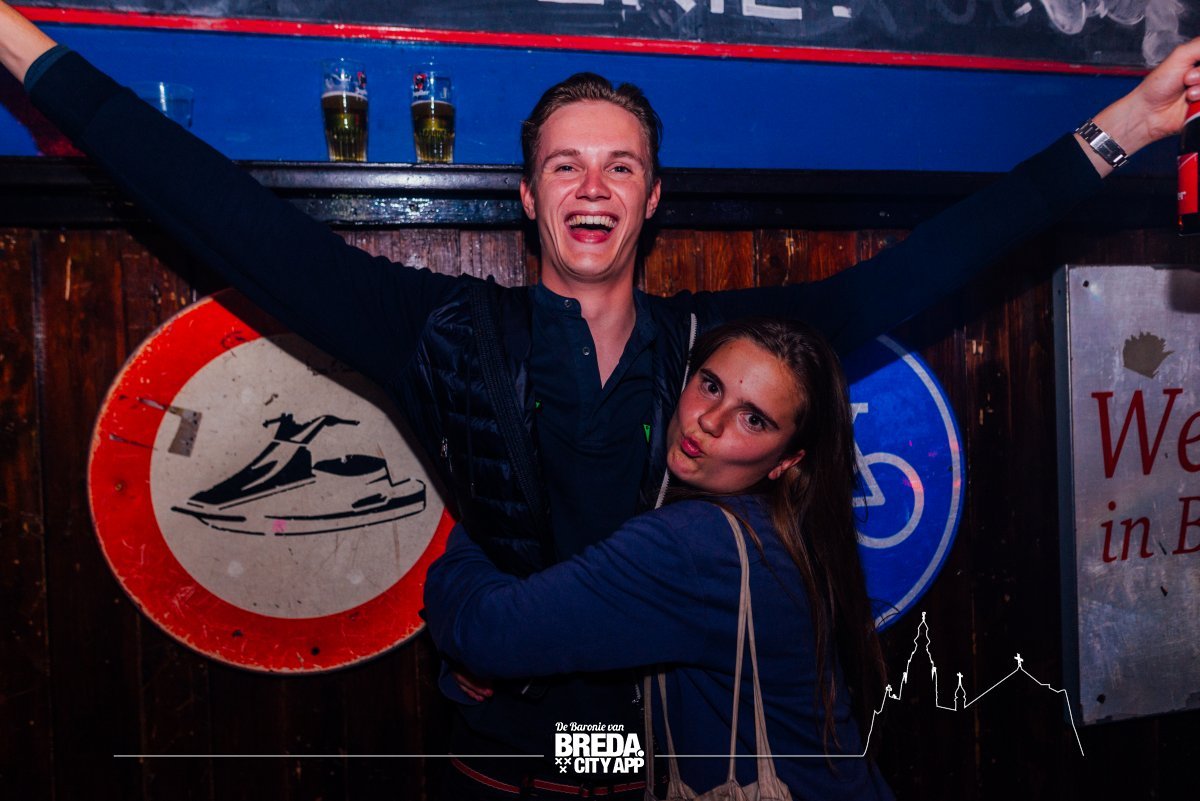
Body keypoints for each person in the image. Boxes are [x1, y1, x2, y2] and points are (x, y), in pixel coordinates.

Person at [2, 3, 1199, 795]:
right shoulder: (442, 332)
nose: (592, 185)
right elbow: (213, 204)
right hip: (495, 755)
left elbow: (931, 263)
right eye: (565, 165)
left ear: (651, 199)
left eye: (619, 165)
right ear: (527, 199)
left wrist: (1131, 124)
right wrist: (20, 46)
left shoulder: (717, 350)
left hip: (655, 755)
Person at [424, 316, 890, 799]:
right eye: (711, 386)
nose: (710, 421)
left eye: (753, 419)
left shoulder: (700, 544)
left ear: (787, 461)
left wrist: (475, 531)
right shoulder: (777, 527)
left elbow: (484, 632)